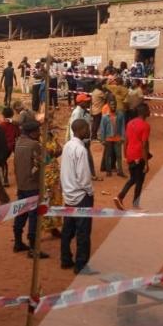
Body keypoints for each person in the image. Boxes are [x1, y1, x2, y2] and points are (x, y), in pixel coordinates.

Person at [60, 118, 96, 274]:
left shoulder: (67, 146)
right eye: (86, 128)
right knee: (83, 232)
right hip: (81, 196)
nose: (88, 131)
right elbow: (83, 177)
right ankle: (81, 265)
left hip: (68, 195)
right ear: (80, 130)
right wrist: (90, 191)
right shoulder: (80, 150)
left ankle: (65, 259)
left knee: (67, 230)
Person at [13, 120, 48, 258]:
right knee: (34, 217)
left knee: (21, 213)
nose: (39, 133)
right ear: (33, 132)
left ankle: (18, 242)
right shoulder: (34, 145)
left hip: (21, 184)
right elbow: (41, 163)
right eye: (38, 131)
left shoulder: (18, 143)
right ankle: (33, 248)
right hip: (33, 186)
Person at [114, 103, 151, 210]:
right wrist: (146, 163)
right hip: (139, 156)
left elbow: (126, 140)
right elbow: (144, 145)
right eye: (148, 109)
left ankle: (120, 197)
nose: (149, 111)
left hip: (130, 154)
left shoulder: (130, 123)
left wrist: (125, 155)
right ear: (144, 112)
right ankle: (134, 203)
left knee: (134, 178)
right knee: (139, 180)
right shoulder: (145, 126)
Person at [40, 127, 63, 239]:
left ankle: (54, 227)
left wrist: (55, 152)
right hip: (43, 174)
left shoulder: (53, 136)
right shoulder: (38, 138)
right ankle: (40, 230)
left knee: (55, 200)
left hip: (54, 172)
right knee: (44, 200)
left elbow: (59, 150)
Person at [99, 97, 126, 177]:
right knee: (108, 155)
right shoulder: (105, 117)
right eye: (112, 105)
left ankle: (120, 171)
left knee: (119, 156)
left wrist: (123, 137)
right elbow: (102, 128)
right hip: (108, 138)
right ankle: (108, 171)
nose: (113, 106)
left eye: (114, 105)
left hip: (117, 138)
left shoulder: (120, 114)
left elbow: (122, 126)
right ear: (109, 105)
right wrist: (102, 139)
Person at [0, 106, 20, 187]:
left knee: (3, 162)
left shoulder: (1, 125)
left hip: (5, 146)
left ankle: (5, 179)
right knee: (17, 163)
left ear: (3, 115)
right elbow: (18, 134)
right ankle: (19, 178)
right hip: (13, 145)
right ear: (12, 115)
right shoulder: (15, 124)